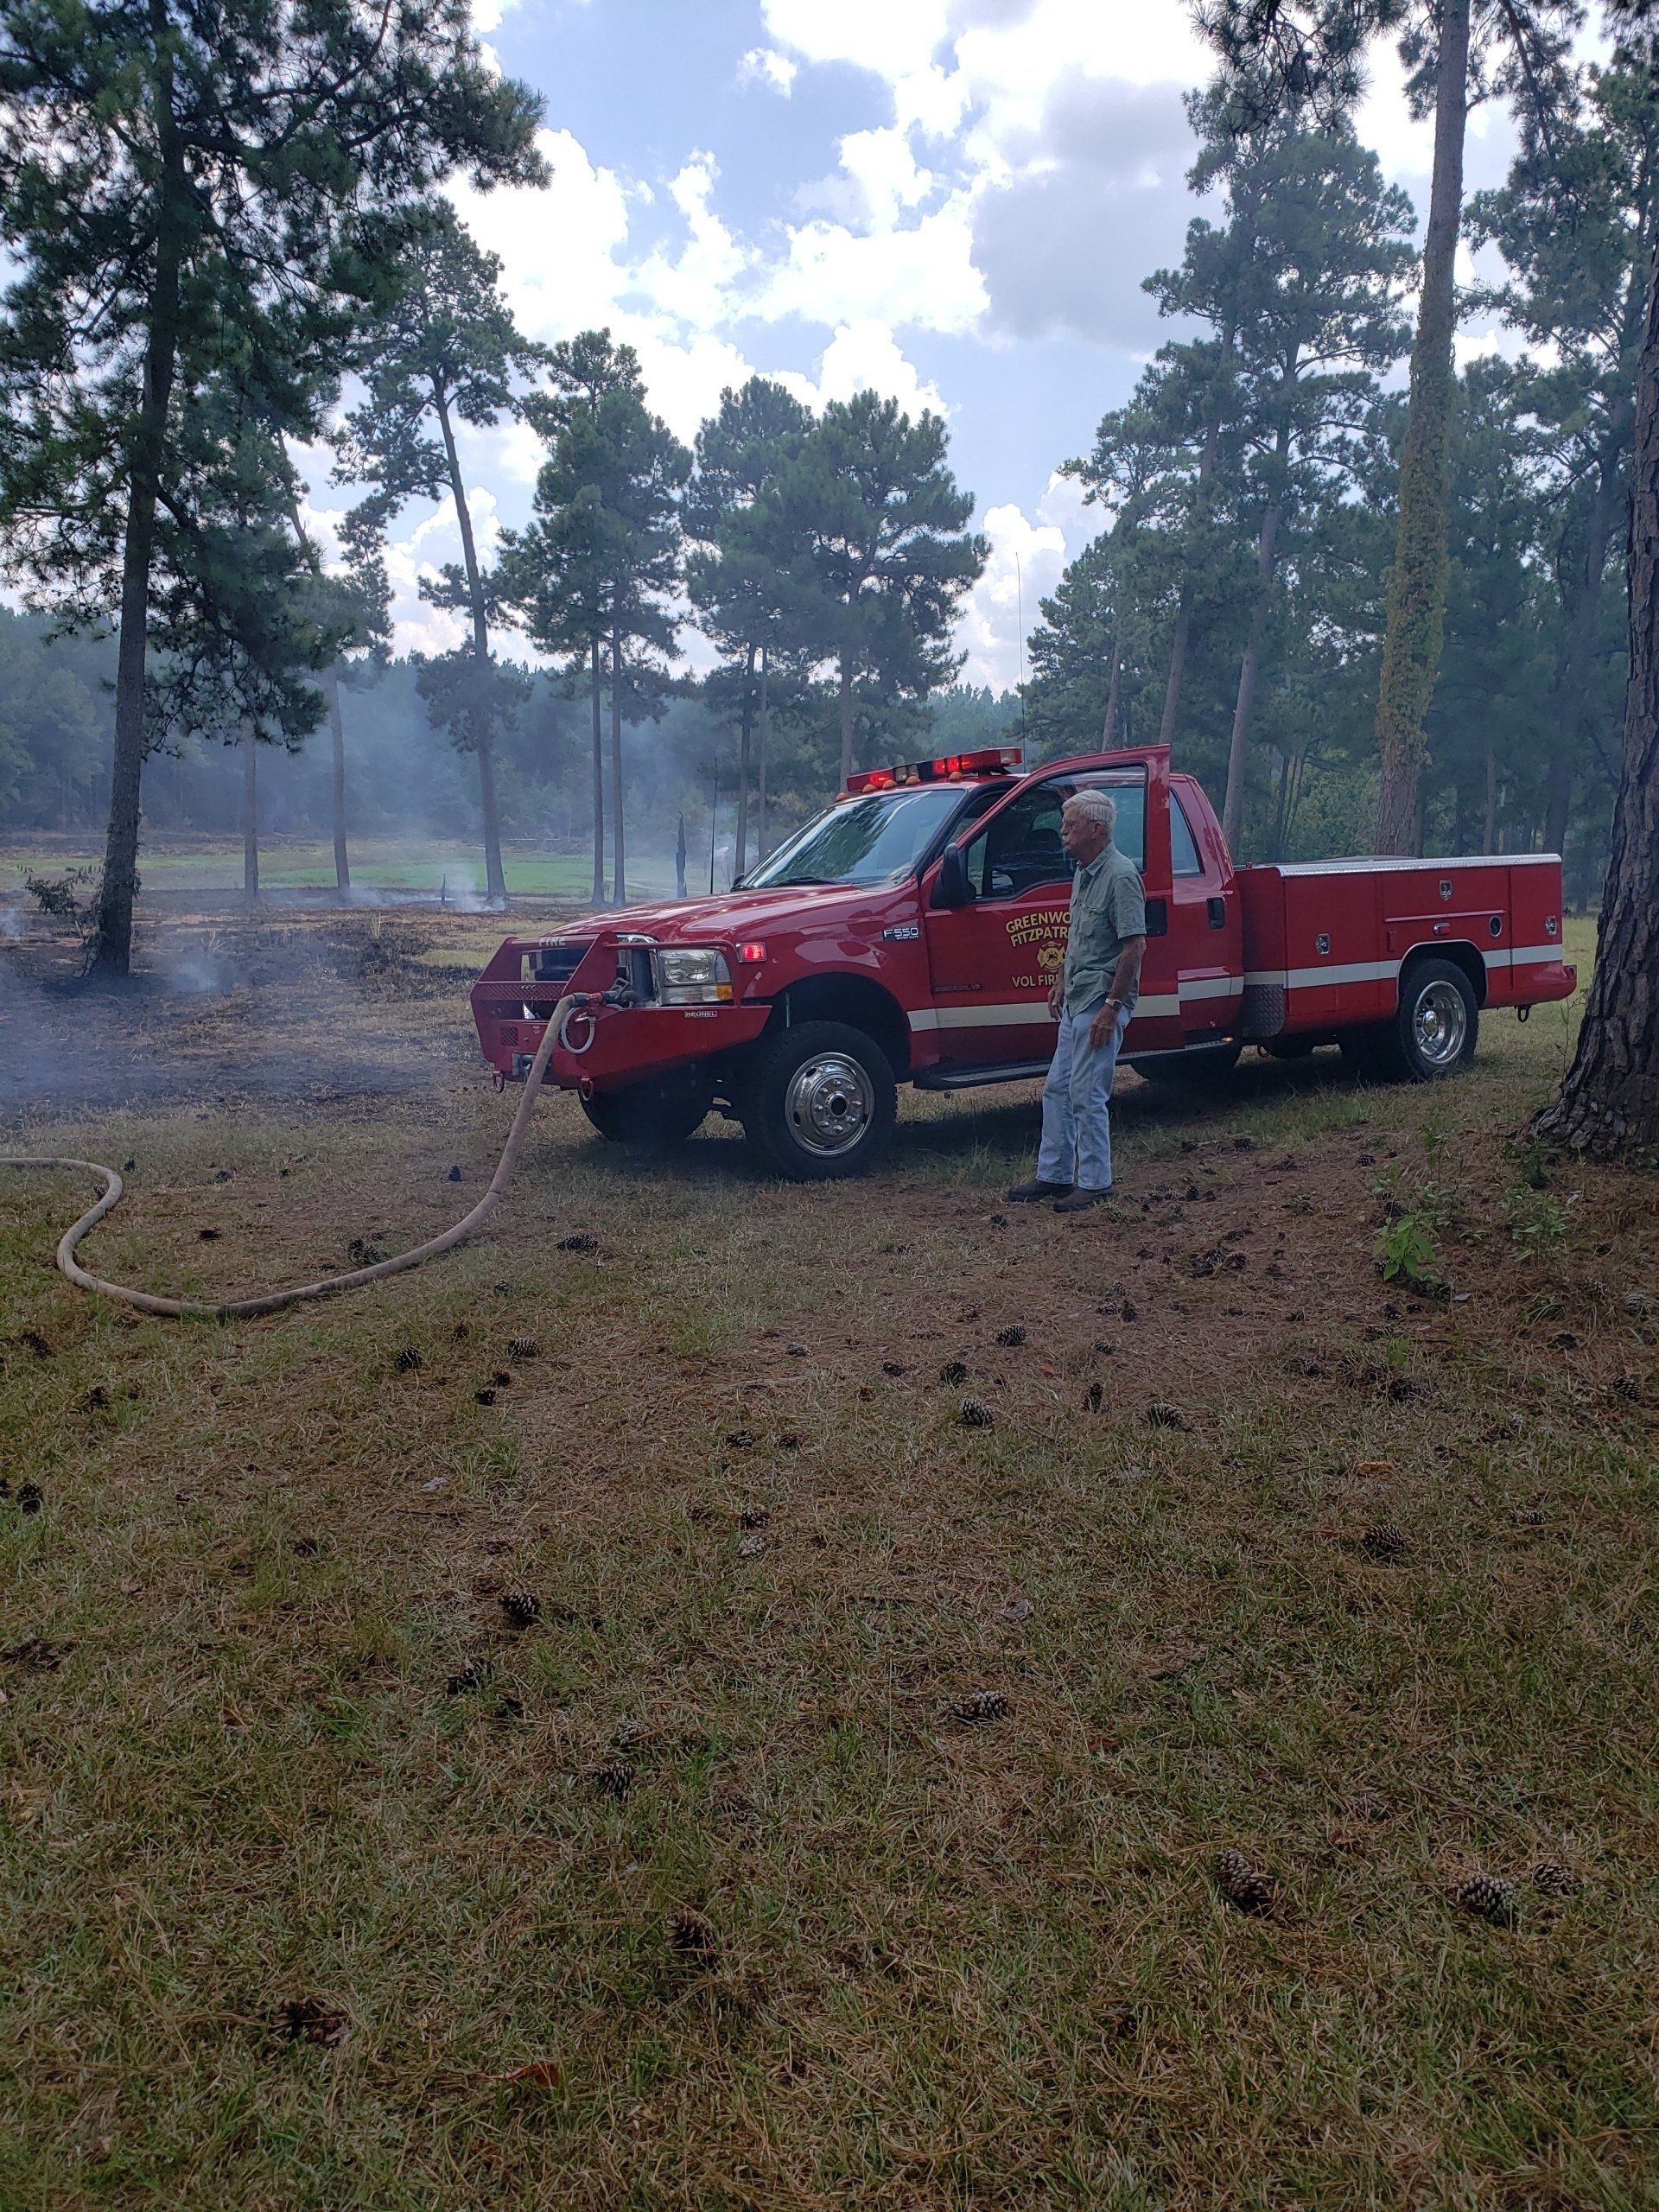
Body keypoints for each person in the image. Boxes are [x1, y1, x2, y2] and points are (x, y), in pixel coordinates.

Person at [1006, 787, 1146, 1213]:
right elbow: (1079, 937)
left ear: (1096, 829)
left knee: (1086, 1093)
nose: (1062, 830)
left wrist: (1112, 1007)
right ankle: (1053, 1175)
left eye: (1071, 823)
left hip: (1100, 1004)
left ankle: (1096, 1182)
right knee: (1057, 1089)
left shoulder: (1121, 876)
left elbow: (1134, 947)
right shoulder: (1084, 871)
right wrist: (1062, 980)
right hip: (1078, 999)